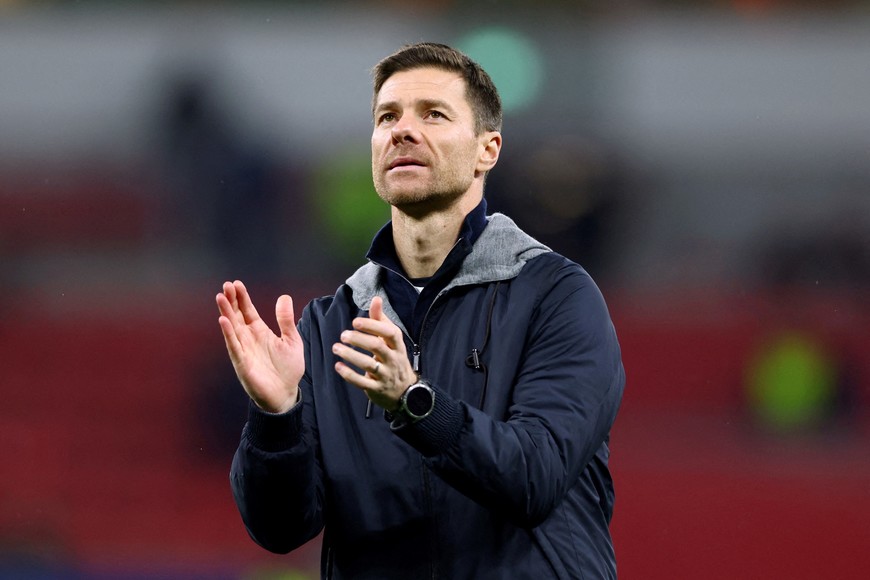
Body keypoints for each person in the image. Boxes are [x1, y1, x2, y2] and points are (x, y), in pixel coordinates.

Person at [216, 42, 625, 579]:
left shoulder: (557, 296)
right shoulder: (326, 328)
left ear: (488, 150)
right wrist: (276, 420)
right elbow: (281, 530)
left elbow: (535, 477)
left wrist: (415, 405)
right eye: (388, 116)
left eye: (433, 114)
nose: (402, 130)